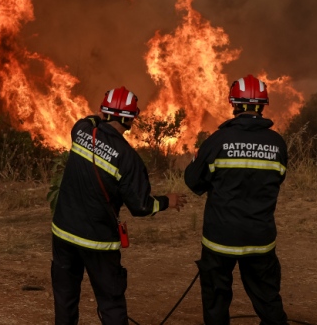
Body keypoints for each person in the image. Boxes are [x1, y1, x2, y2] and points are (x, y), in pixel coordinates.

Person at [51, 86, 186, 325]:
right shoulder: (128, 159)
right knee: (111, 303)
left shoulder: (82, 130)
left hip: (63, 233)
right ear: (130, 119)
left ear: (104, 113)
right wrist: (167, 201)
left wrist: (99, 116)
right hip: (98, 242)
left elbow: (88, 119)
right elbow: (141, 207)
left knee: (65, 299)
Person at [185, 75, 289, 325]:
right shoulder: (276, 143)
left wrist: (199, 162)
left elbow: (193, 181)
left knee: (216, 300)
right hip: (259, 238)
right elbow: (278, 179)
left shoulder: (218, 141)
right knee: (267, 298)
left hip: (220, 239)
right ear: (262, 106)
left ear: (234, 104)